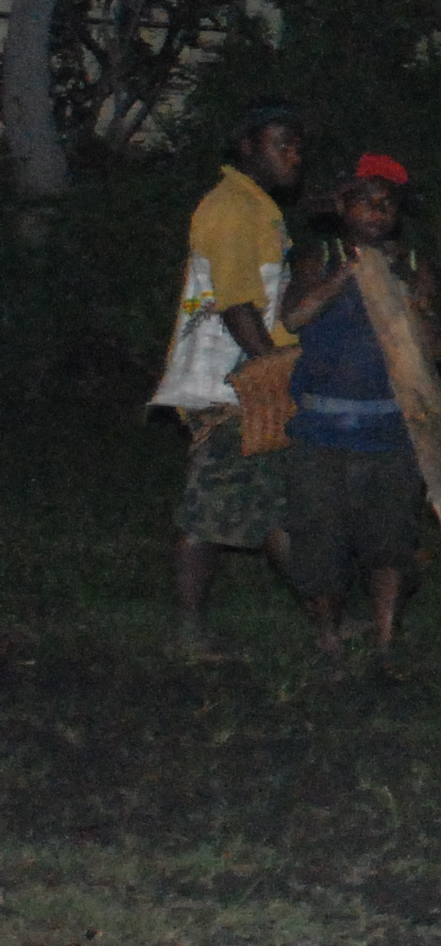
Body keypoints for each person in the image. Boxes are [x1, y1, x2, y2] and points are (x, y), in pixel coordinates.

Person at [153, 103, 306, 660]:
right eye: (280, 144)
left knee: (278, 510)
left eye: (297, 147)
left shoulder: (255, 207)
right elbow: (237, 303)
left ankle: (330, 619)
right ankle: (190, 633)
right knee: (210, 511)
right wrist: (272, 376)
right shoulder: (234, 208)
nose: (293, 156)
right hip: (228, 389)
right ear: (248, 147)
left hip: (241, 384)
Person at [277, 156, 439, 667]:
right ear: (342, 206)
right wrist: (347, 274)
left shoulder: (411, 265)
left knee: (389, 541)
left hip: (391, 427)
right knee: (318, 540)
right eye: (366, 200)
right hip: (320, 429)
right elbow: (294, 317)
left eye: (386, 203)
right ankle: (329, 640)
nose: (377, 211)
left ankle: (386, 644)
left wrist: (417, 306)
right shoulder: (318, 259)